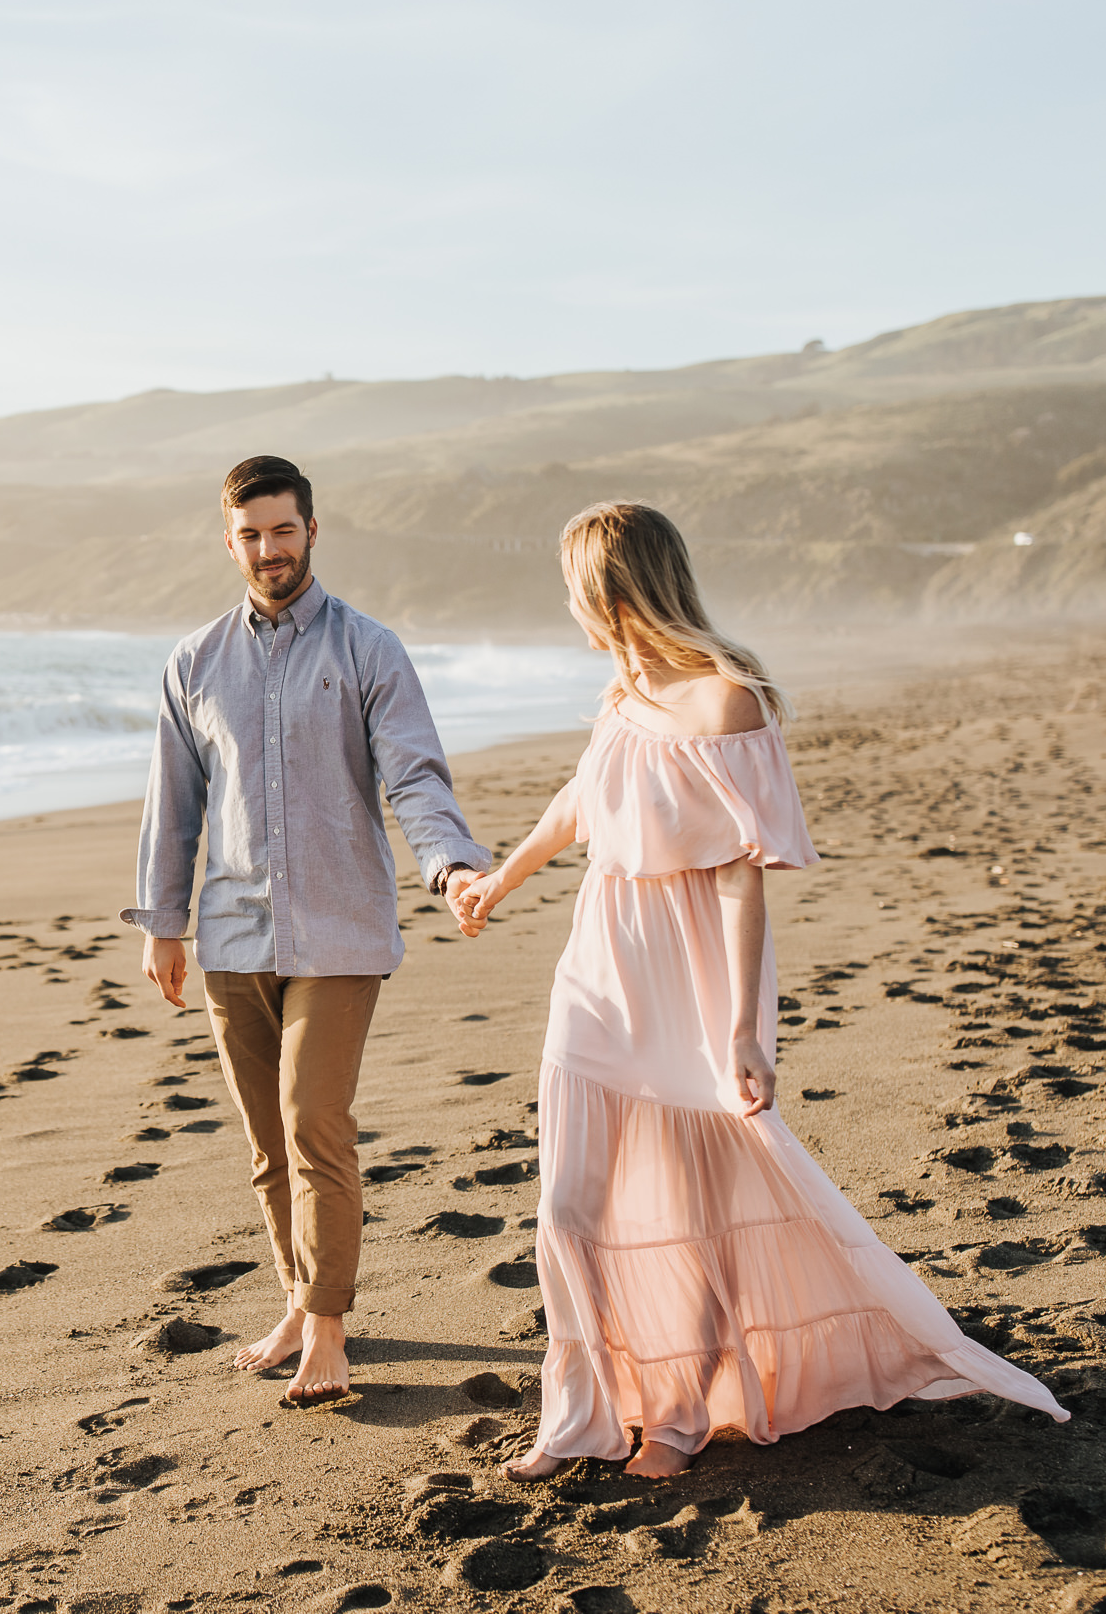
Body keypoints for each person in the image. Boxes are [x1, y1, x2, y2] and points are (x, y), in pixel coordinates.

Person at [452, 501, 1068, 1479]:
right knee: (568, 1208)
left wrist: (741, 1028)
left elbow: (741, 873)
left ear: (613, 592)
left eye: (575, 590)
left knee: (691, 1214)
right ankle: (581, 1413)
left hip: (686, 969)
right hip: (599, 964)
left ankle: (681, 1418)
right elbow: (581, 799)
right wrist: (499, 876)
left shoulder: (723, 700)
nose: (569, 608)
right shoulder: (621, 693)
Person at [122, 454, 494, 1406]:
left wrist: (449, 864)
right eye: (250, 534)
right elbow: (175, 806)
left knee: (312, 1125)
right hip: (230, 935)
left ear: (313, 532)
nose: (268, 549)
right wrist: (163, 920)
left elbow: (413, 774)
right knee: (265, 1147)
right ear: (230, 541)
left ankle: (328, 1329)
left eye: (283, 530)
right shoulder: (194, 662)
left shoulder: (370, 650)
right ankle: (296, 1300)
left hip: (339, 929)